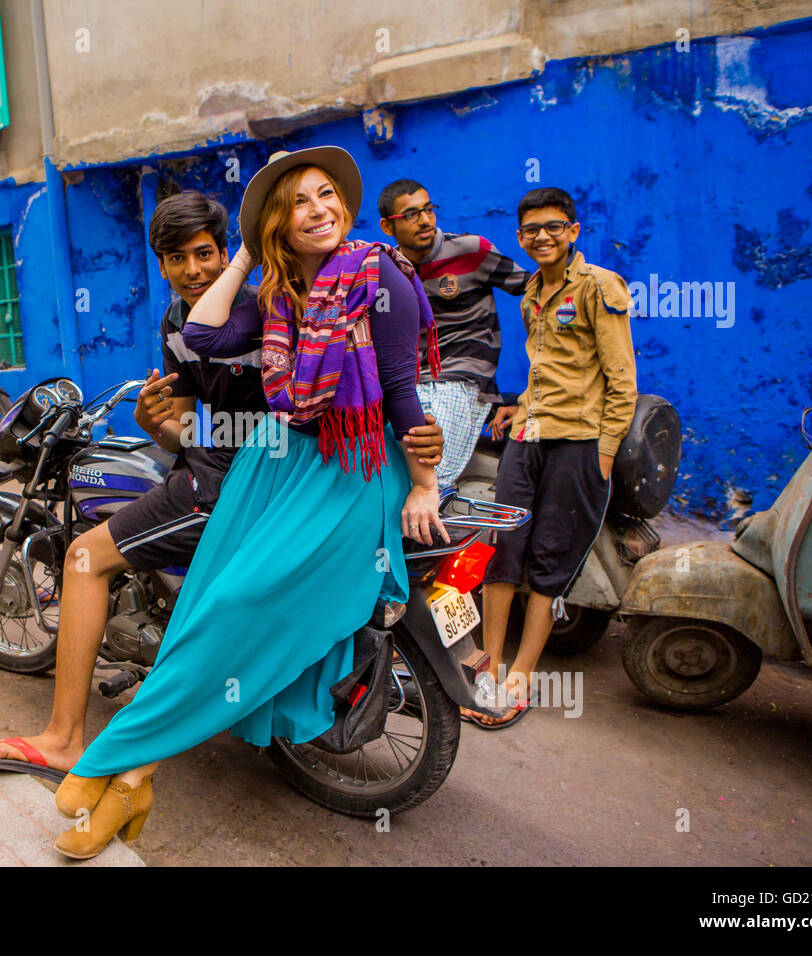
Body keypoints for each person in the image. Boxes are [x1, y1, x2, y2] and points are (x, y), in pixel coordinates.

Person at [49, 147, 449, 860]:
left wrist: (423, 484)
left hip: (349, 467)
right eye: (297, 203)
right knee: (203, 611)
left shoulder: (373, 272)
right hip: (273, 465)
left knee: (238, 606)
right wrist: (244, 254)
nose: (318, 209)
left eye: (327, 195)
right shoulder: (278, 294)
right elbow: (201, 334)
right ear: (276, 225)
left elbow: (401, 392)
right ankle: (137, 777)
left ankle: (110, 756)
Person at [466, 187, 637, 729]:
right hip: (530, 438)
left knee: (548, 561)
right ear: (519, 238)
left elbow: (621, 381)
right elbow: (548, 372)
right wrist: (518, 409)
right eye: (532, 230)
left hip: (579, 444)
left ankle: (521, 676)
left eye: (553, 226)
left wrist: (604, 456)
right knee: (501, 548)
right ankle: (489, 666)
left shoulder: (599, 287)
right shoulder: (531, 293)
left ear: (573, 231)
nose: (542, 237)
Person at [378, 179, 530, 488]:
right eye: (411, 215)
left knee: (425, 471)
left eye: (428, 210)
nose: (424, 221)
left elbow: (534, 292)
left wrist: (536, 391)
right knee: (372, 468)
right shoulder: (386, 270)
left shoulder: (472, 250)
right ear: (386, 226)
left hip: (462, 377)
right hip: (409, 383)